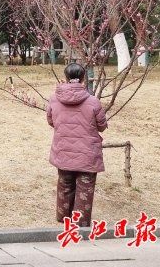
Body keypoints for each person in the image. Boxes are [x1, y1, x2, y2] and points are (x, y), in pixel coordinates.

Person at [47, 63, 108, 227]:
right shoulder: (93, 101)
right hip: (87, 152)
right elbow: (101, 126)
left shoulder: (54, 99)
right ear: (83, 78)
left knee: (64, 184)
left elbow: (51, 121)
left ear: (66, 77)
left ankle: (63, 219)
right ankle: (80, 225)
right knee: (85, 188)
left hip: (63, 149)